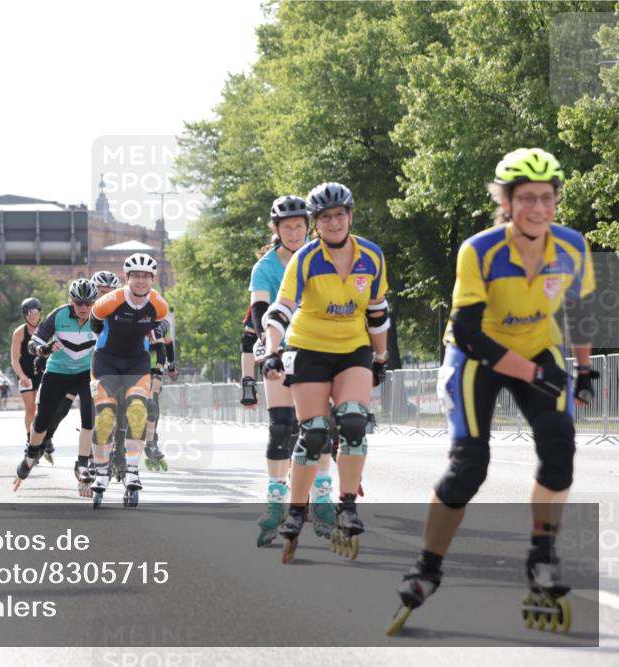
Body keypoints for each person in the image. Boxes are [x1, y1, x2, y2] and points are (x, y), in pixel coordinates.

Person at [388, 148, 596, 635]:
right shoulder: (479, 250)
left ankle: (542, 558)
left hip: (538, 349)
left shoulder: (571, 246)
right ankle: (426, 569)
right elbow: (467, 332)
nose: (538, 208)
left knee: (560, 449)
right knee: (468, 467)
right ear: (505, 201)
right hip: (475, 358)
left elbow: (583, 310)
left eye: (547, 198)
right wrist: (528, 372)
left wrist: (584, 370)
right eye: (527, 198)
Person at [262, 182, 389, 562]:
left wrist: (380, 359)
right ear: (316, 223)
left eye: (340, 215)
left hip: (353, 348)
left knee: (353, 422)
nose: (334, 222)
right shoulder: (305, 259)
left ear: (350, 216)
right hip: (310, 348)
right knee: (314, 433)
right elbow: (280, 309)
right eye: (325, 217)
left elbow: (378, 312)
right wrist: (271, 352)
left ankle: (347, 504)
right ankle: (296, 511)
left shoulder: (372, 255)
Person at [247, 195, 337, 546]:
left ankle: (323, 495)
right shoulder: (265, 267)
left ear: (309, 225)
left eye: (300, 225)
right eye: (288, 227)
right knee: (282, 425)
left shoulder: (323, 256)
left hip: (319, 346)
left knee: (319, 427)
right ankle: (275, 499)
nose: (295, 232)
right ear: (277, 230)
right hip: (281, 347)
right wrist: (269, 345)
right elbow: (259, 310)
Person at [88, 253, 170, 507]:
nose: (141, 281)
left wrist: (161, 353)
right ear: (127, 277)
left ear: (153, 279)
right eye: (136, 276)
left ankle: (132, 470)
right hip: (106, 361)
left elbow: (159, 328)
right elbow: (95, 323)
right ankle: (101, 472)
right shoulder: (109, 302)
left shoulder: (159, 305)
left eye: (146, 276)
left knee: (137, 410)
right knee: (105, 419)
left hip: (136, 361)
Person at [13, 279, 99, 494]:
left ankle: (82, 463)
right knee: (42, 420)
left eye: (89, 304)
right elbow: (34, 342)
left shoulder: (100, 317)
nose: (84, 309)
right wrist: (44, 349)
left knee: (89, 417)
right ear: (71, 301)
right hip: (58, 372)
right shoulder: (59, 315)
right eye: (79, 303)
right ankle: (32, 452)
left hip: (85, 373)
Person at [143, 311, 177, 472]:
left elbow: (167, 346)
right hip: (133, 365)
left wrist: (170, 367)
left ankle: (152, 442)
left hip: (154, 366)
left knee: (152, 402)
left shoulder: (162, 325)